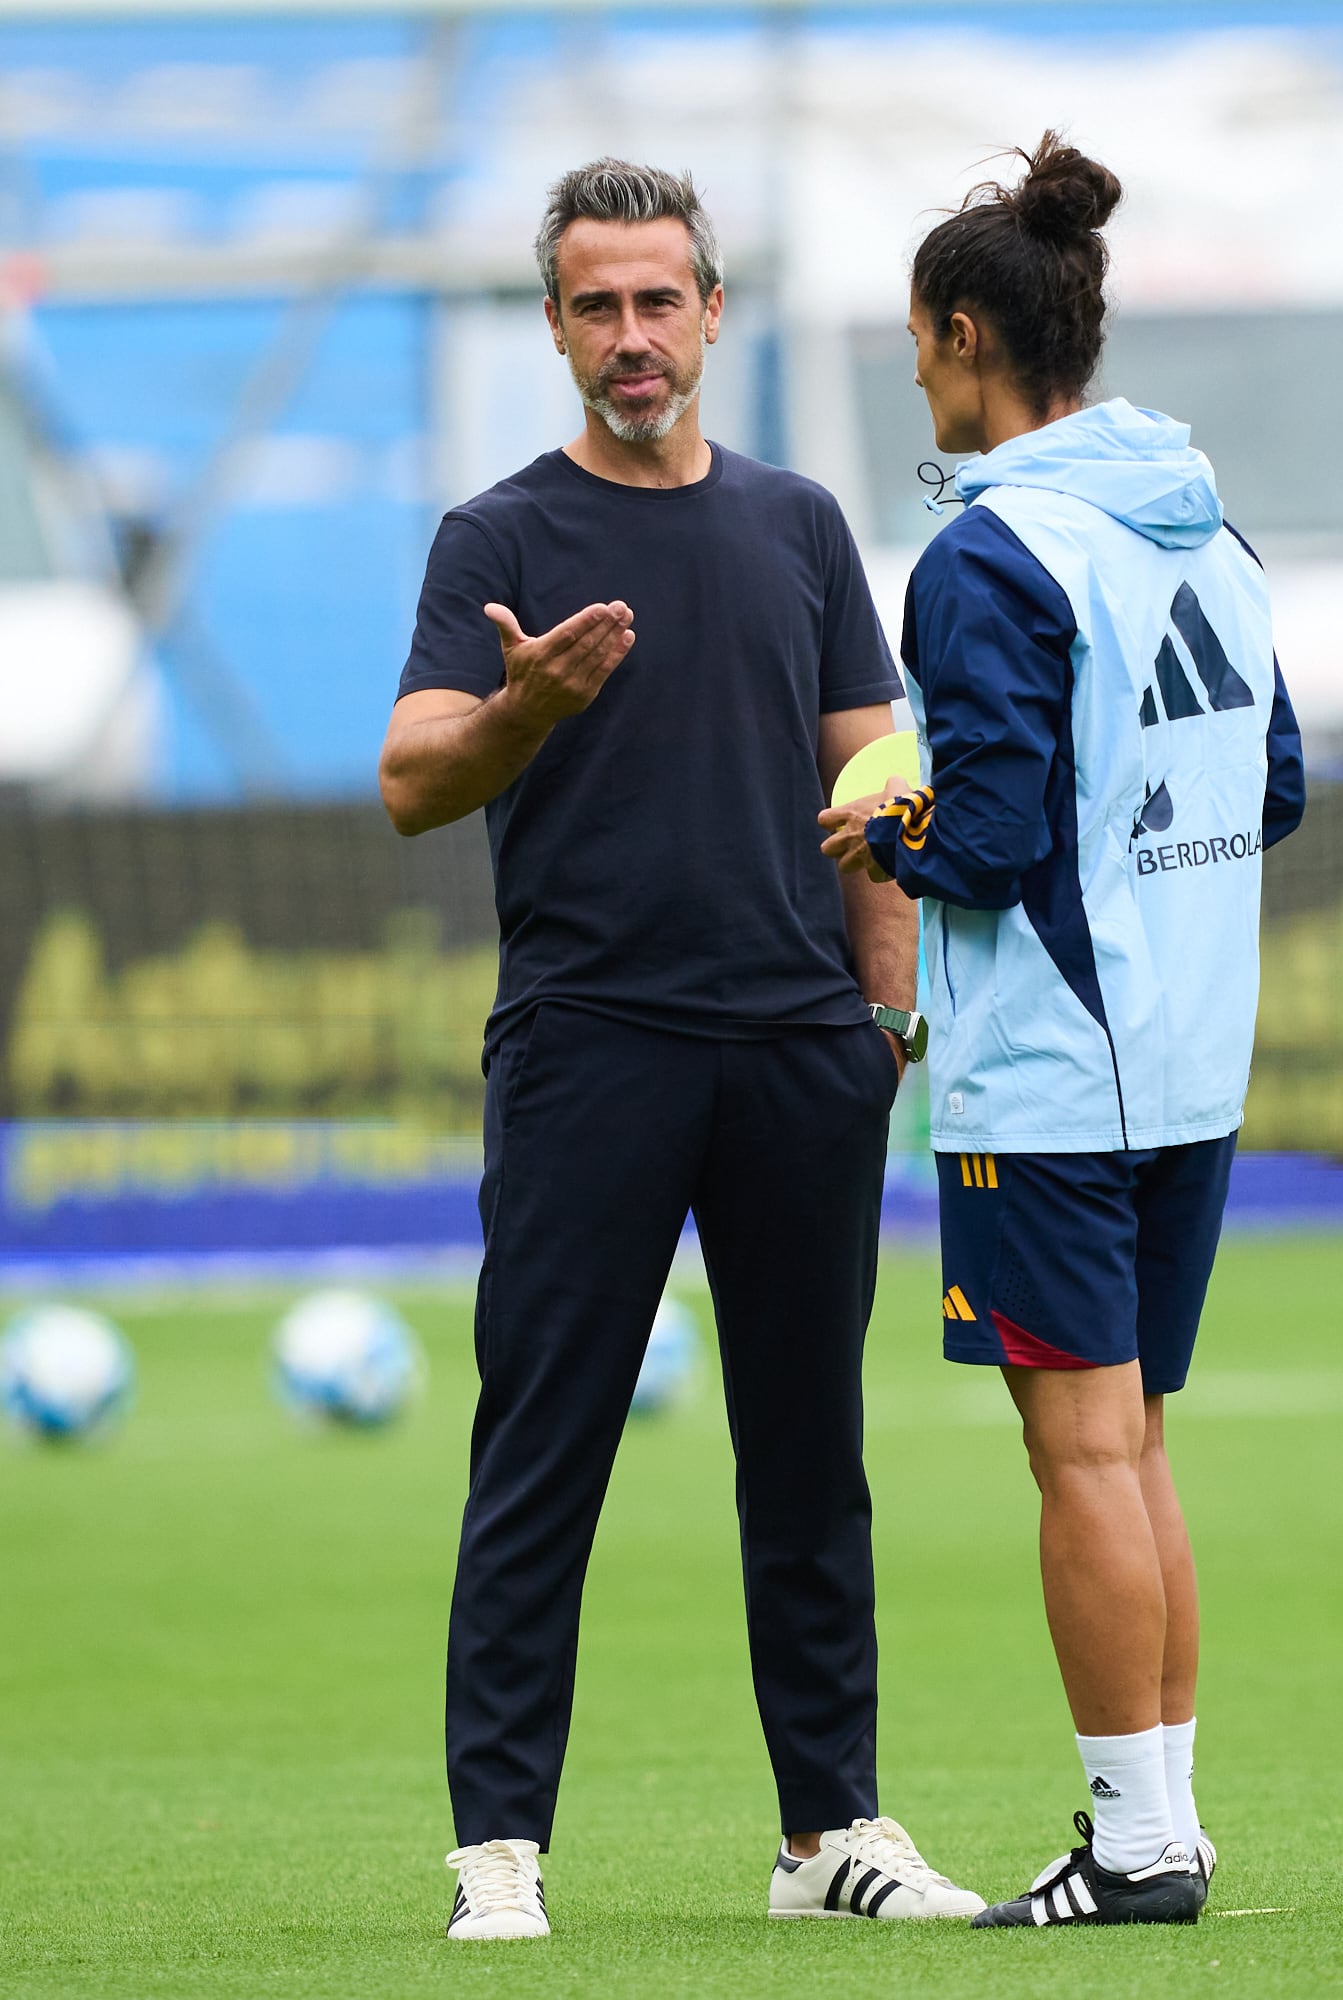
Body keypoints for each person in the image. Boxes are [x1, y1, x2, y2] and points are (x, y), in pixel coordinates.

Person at [381, 158, 984, 1942]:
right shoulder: (495, 541)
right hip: (592, 1048)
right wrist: (527, 707)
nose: (631, 337)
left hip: (804, 1052)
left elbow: (876, 785)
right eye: (595, 306)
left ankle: (829, 1836)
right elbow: (415, 781)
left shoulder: (798, 524)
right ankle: (501, 1845)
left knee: (809, 1453)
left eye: (660, 301)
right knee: (543, 1446)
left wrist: (884, 1022)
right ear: (556, 325)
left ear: (714, 314)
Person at [819, 134, 1304, 1930]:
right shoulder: (1206, 523)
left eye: (921, 347)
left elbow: (1001, 840)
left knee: (1083, 1453)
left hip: (1055, 1071)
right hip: (1191, 1060)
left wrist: (888, 834)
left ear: (962, 337)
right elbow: (1276, 784)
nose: (920, 381)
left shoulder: (989, 554)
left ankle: (1136, 1850)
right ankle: (1164, 1825)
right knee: (1136, 1443)